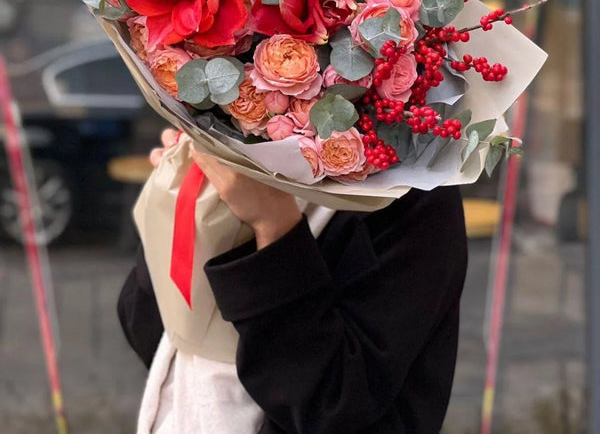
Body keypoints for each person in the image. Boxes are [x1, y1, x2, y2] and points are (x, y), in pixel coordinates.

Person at [118, 128, 468, 434]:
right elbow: (147, 329)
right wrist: (182, 199)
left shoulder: (409, 191)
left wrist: (274, 228)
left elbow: (336, 404)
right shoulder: (240, 141)